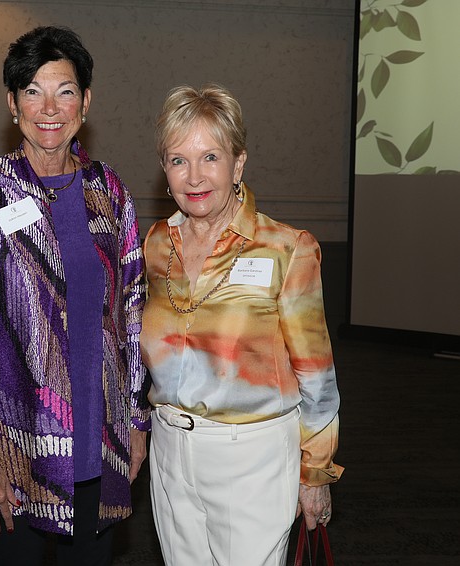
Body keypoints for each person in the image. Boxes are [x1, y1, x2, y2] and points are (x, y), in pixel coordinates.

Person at [0, 26, 149, 566]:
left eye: (65, 90)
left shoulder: (110, 192)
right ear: (12, 104)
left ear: (86, 100)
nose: (49, 107)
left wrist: (137, 423)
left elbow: (132, 318)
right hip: (12, 453)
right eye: (32, 90)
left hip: (98, 447)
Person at [140, 84, 343, 566]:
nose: (194, 176)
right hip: (169, 448)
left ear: (239, 163)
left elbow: (317, 377)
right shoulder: (155, 245)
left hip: (252, 456)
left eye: (210, 156)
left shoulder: (287, 248)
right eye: (177, 160)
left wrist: (315, 474)